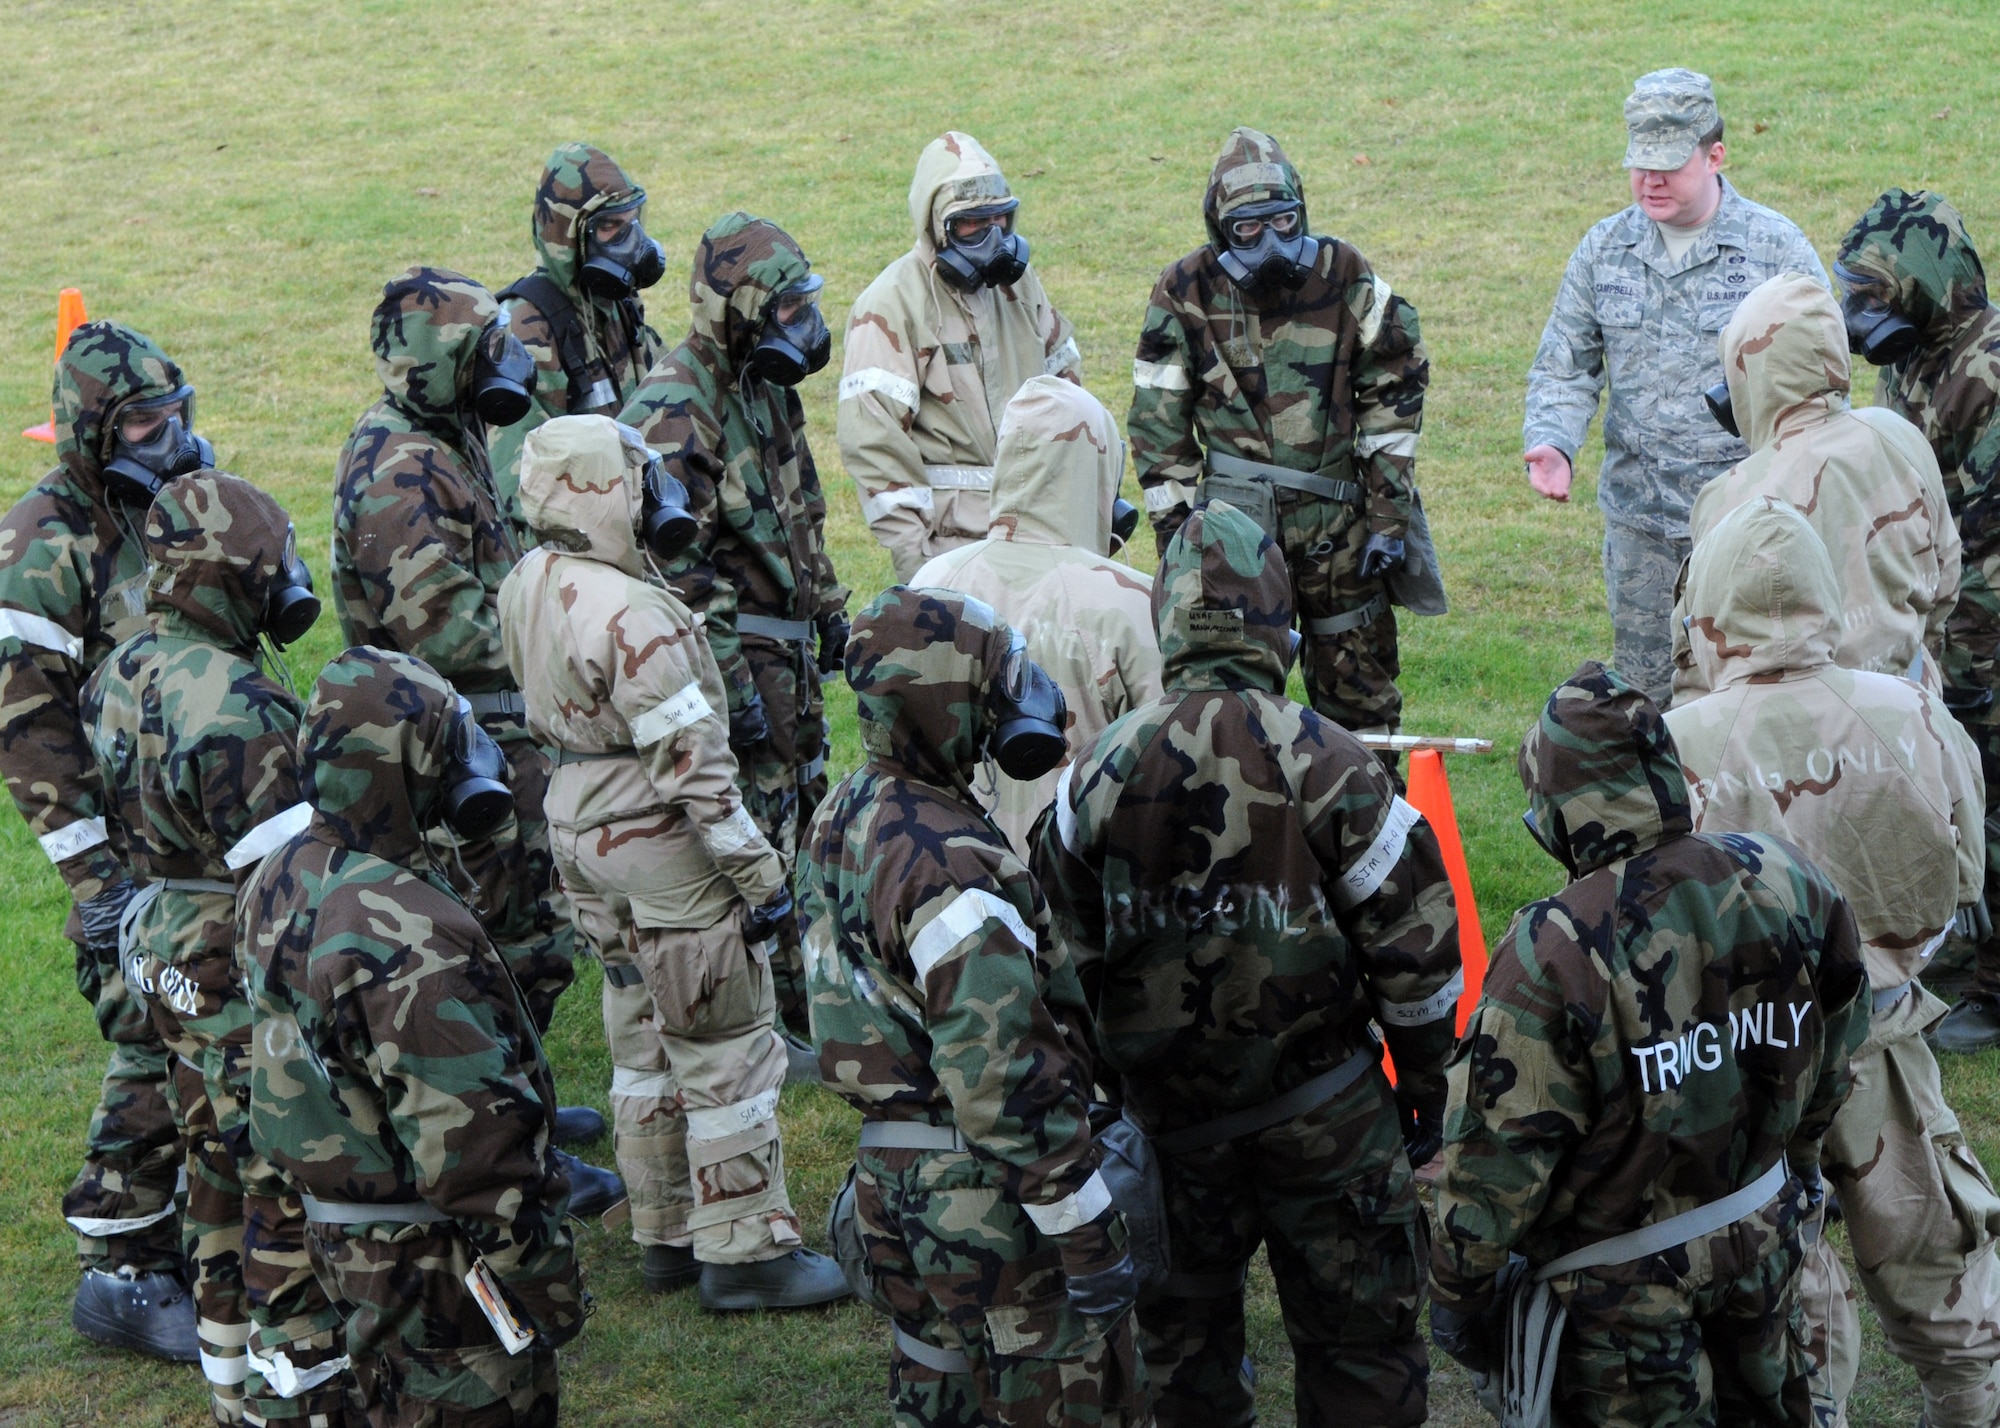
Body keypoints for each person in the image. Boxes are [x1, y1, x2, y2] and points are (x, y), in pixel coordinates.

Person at [1035, 500, 1459, 1428]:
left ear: (1167, 621)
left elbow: (1058, 963)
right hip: (1331, 1122)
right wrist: (1427, 1095)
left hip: (1170, 1132)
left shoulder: (1093, 776)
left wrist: (1102, 1101)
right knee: (1362, 1361)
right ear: (1280, 623)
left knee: (1184, 1364)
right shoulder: (1333, 759)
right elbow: (1417, 957)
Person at [1429, 661, 1867, 1428]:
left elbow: (1494, 1168)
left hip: (1619, 1314)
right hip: (1763, 1251)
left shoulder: (1554, 949)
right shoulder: (1788, 880)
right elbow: (1836, 1051)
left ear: (1558, 811)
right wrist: (1793, 1172)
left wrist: (1460, 1300)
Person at [498, 413, 848, 1310]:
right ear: (603, 490)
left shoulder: (529, 580)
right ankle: (746, 1250)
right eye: (638, 476)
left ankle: (665, 1232)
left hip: (577, 829)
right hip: (659, 841)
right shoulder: (639, 613)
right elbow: (697, 773)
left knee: (641, 1029)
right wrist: (764, 882)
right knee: (722, 1038)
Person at [1665, 497, 2000, 1428]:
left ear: (1709, 612)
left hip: (1742, 1067)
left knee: (1785, 1287)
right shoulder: (1917, 717)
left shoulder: (1676, 743)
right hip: (1887, 1040)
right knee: (1937, 1257)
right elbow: (1966, 869)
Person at [803, 584, 1146, 1427]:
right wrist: (1086, 1231)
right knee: (1069, 1398)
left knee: (938, 1385)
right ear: (952, 697)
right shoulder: (950, 862)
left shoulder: (844, 811)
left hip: (889, 1178)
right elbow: (1005, 1077)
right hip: (986, 1196)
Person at [331, 265, 619, 1213]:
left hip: (484, 740)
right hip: (451, 759)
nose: (511, 359)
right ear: (445, 365)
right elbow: (449, 633)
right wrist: (568, 626)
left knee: (525, 945)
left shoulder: (443, 439)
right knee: (499, 956)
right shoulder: (403, 471)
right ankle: (512, 1157)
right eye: (485, 346)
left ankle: (524, 1110)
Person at [244, 647, 583, 1426]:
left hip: (333, 1234)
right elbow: (474, 1150)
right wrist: (546, 1285)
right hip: (432, 1268)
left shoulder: (281, 871)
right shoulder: (411, 938)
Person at [82, 472, 325, 1424]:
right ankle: (294, 1381)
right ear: (231, 579)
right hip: (233, 950)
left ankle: (227, 1378)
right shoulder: (242, 701)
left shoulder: (122, 665)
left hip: (161, 944)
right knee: (278, 1162)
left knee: (208, 1158)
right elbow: (288, 878)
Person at [0, 319, 214, 1360]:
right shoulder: (45, 541)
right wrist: (96, 883)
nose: (168, 436)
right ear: (90, 431)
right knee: (150, 1025)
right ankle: (120, 1264)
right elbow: (26, 725)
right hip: (128, 846)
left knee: (216, 1015)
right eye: (141, 421)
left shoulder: (165, 506)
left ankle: (202, 1224)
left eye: (176, 414)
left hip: (199, 824)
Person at [1523, 67, 1827, 705]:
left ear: (1716, 154)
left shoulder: (1775, 251)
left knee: (1751, 695)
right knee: (1647, 703)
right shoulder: (1604, 250)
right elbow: (1566, 363)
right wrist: (1553, 440)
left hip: (1749, 524)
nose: (1650, 181)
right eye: (1639, 164)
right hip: (1642, 530)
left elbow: (1823, 385)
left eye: (1669, 165)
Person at [619, 212, 849, 1048]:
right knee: (755, 838)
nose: (805, 328)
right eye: (788, 313)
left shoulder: (766, 387)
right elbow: (682, 571)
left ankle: (814, 999)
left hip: (785, 651)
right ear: (740, 311)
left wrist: (829, 613)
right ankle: (769, 1019)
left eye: (805, 309)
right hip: (739, 660)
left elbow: (803, 512)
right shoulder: (676, 412)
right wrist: (736, 691)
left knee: (806, 818)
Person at [1128, 127, 1433, 753]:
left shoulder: (1344, 273)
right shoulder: (1184, 289)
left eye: (1285, 221)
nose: (1270, 244)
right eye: (1248, 229)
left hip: (1340, 530)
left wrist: (1387, 519)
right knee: (1227, 704)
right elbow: (1158, 428)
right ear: (1220, 226)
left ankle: (1369, 835)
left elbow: (1394, 395)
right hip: (1230, 535)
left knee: (1362, 705)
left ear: (1303, 211)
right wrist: (1182, 544)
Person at [1835, 189, 2000, 1052]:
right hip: (1946, 617)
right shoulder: (1915, 364)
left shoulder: (1989, 369)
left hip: (1986, 622)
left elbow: (1978, 522)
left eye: (1875, 299)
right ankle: (1968, 931)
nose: (1865, 322)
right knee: (1952, 780)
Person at [1671, 272, 1958, 699]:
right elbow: (1945, 577)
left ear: (1749, 372)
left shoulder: (1727, 497)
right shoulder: (1898, 437)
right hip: (1908, 710)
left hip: (1791, 733)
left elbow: (1703, 651)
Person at [912, 375, 1161, 857]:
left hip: (947, 874)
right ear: (1097, 471)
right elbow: (1173, 761)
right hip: (1080, 887)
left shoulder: (932, 582)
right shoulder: (1132, 602)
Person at [838, 130, 1082, 583]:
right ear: (935, 227)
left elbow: (1068, 395)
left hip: (1042, 536)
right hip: (953, 552)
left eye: (1000, 221)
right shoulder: (892, 305)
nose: (991, 238)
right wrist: (919, 567)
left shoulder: (1020, 287)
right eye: (970, 224)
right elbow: (875, 443)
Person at [488, 141, 667, 534]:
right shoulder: (525, 331)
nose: (631, 245)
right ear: (569, 236)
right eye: (609, 228)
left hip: (632, 525)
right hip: (573, 549)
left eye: (632, 224)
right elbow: (523, 484)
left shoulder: (617, 306)